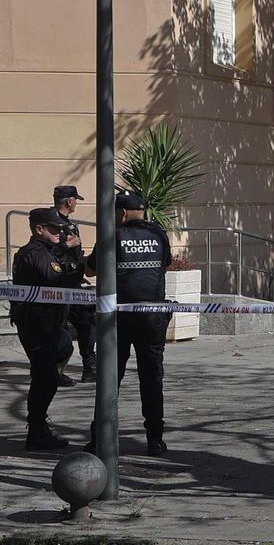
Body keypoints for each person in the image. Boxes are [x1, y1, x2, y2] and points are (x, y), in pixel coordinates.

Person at [86, 190, 174, 455]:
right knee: (152, 380)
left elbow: (90, 269)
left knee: (110, 379)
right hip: (152, 319)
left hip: (118, 321)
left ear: (121, 213)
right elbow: (165, 264)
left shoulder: (113, 235)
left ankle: (99, 438)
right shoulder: (159, 234)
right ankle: (155, 440)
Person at [10, 207, 74, 450]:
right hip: (37, 324)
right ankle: (36, 430)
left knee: (63, 347)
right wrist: (79, 272)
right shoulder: (36, 253)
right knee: (44, 378)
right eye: (54, 228)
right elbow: (54, 280)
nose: (60, 232)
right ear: (38, 229)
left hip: (48, 323)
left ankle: (38, 425)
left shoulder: (45, 250)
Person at [53, 185, 96, 386]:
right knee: (60, 329)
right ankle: (56, 371)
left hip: (73, 283)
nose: (76, 203)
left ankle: (90, 367)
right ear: (69, 201)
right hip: (58, 286)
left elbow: (75, 256)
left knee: (88, 320)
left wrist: (80, 273)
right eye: (75, 200)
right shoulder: (51, 224)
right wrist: (65, 246)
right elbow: (47, 253)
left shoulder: (69, 225)